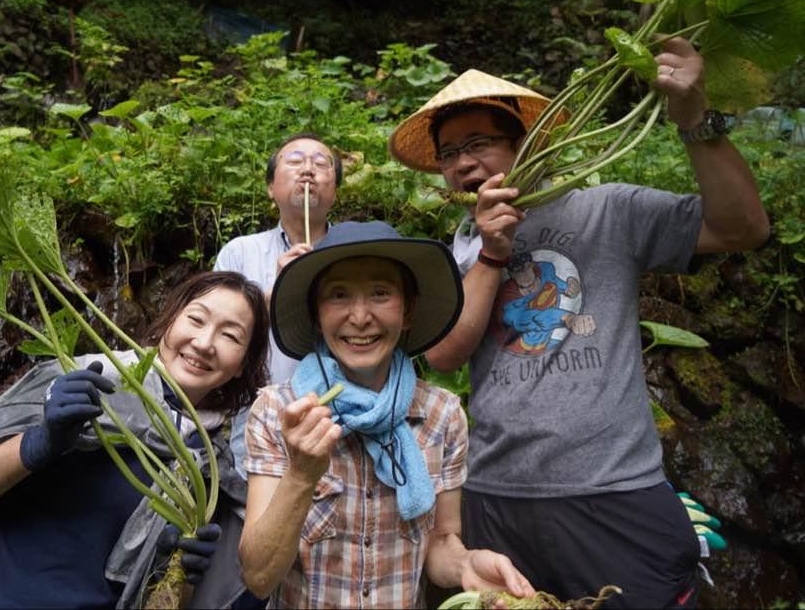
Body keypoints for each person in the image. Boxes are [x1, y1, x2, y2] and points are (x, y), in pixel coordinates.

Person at [388, 37, 770, 607]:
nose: (462, 163)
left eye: (478, 144)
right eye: (448, 153)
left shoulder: (607, 210)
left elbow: (743, 228)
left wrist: (694, 119)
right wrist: (492, 252)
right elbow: (443, 357)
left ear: (527, 142)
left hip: (613, 494)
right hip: (496, 495)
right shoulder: (462, 247)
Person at [0, 271, 270, 609]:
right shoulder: (83, 380)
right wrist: (42, 441)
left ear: (242, 364)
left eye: (230, 336)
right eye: (195, 319)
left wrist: (180, 572)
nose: (204, 342)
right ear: (170, 321)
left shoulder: (207, 471)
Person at [238, 220, 536, 608]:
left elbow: (441, 542)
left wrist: (466, 566)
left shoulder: (442, 415)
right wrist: (300, 475)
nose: (360, 317)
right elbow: (259, 577)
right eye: (338, 295)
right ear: (316, 315)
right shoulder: (280, 412)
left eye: (381, 293)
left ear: (408, 311)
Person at [214, 132, 343, 481]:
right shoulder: (239, 252)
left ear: (335, 190)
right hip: (260, 420)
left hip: (341, 423)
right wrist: (277, 293)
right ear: (271, 188)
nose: (308, 171)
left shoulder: (353, 254)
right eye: (295, 161)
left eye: (321, 163)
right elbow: (219, 333)